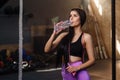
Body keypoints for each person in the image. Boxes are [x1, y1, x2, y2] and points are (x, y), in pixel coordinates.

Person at [44, 8, 95, 80]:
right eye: (70, 15)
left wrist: (77, 68)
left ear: (81, 19)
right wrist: (54, 33)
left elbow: (92, 60)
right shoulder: (63, 35)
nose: (71, 18)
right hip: (67, 70)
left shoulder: (86, 37)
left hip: (79, 69)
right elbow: (46, 49)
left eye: (75, 15)